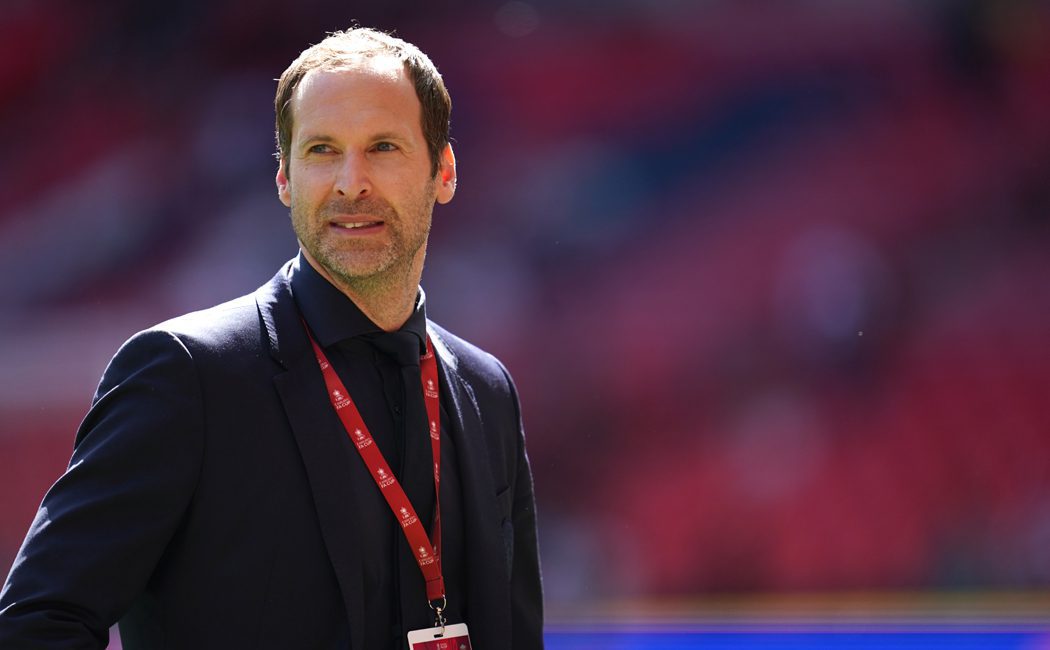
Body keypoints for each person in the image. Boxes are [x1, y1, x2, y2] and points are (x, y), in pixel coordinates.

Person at [0, 27, 543, 649]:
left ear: (443, 171)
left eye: (383, 147)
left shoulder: (485, 390)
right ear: (285, 179)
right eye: (321, 150)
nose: (351, 182)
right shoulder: (182, 375)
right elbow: (36, 624)